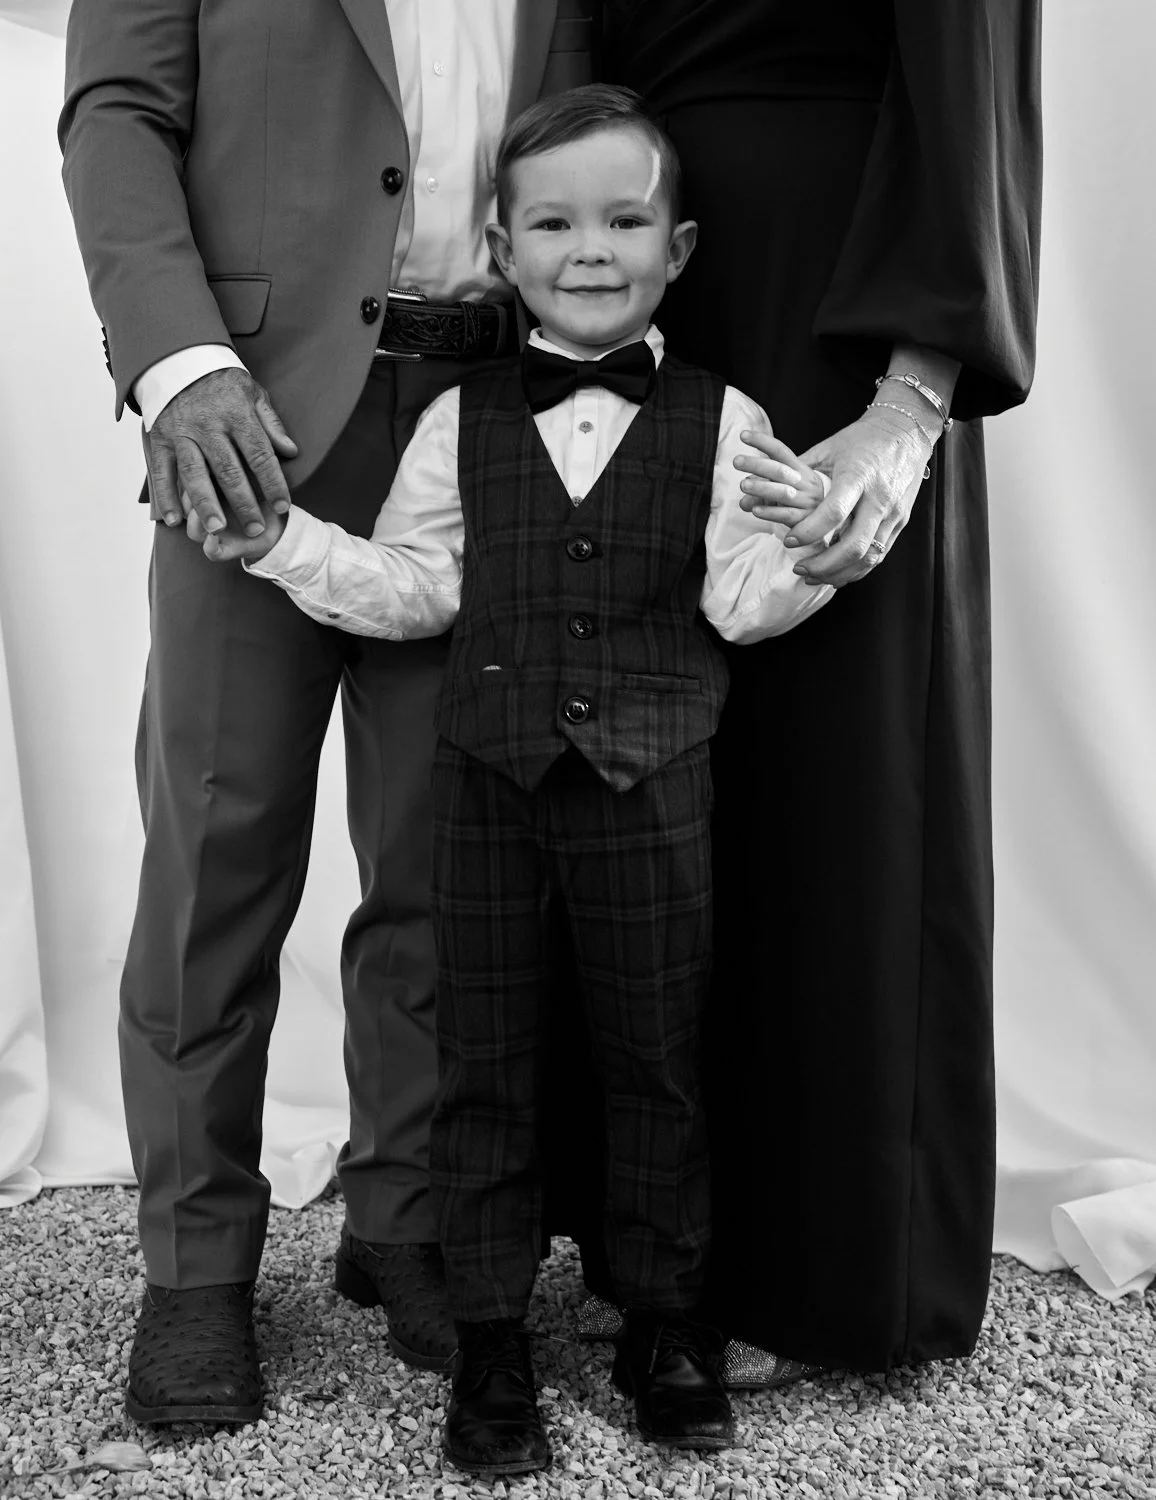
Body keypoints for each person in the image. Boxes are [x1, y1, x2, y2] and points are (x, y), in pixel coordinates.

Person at [200, 84, 836, 1477]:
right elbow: (417, 587)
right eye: (554, 222)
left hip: (656, 796)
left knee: (657, 1066)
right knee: (483, 1068)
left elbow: (740, 602)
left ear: (679, 246)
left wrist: (818, 548)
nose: (590, 249)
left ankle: (665, 1320)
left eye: (624, 220)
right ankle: (489, 1337)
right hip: (486, 795)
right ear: (502, 244)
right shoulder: (459, 422)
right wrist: (278, 542)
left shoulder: (728, 421)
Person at [59, 0, 592, 1426]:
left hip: (495, 411)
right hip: (258, 413)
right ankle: (194, 1274)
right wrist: (178, 364)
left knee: (445, 865)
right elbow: (117, 114)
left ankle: (403, 1221)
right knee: (216, 862)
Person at [557, 0, 1043, 1381]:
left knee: (835, 767)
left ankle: (827, 1271)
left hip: (838, 302)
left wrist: (908, 407)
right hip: (648, 281)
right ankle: (662, 1238)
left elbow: (975, 88)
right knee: (654, 772)